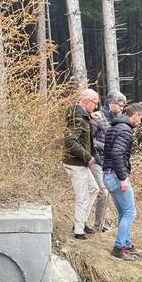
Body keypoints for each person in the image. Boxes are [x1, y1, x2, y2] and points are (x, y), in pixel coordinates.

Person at [103, 102, 142, 260]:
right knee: (130, 212)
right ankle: (119, 247)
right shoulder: (125, 130)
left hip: (108, 174)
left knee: (123, 213)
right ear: (135, 116)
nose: (140, 121)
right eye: (140, 118)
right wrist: (123, 178)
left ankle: (126, 245)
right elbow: (116, 154)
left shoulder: (113, 126)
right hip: (116, 176)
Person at [63, 89, 101, 239]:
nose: (96, 107)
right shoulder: (78, 117)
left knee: (94, 189)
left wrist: (93, 157)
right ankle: (78, 231)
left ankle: (81, 221)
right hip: (75, 163)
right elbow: (70, 141)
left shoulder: (83, 116)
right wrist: (87, 157)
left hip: (81, 163)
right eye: (95, 103)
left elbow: (86, 140)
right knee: (82, 197)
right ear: (86, 101)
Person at [90, 91, 127, 232]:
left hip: (109, 163)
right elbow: (89, 140)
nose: (122, 108)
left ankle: (105, 225)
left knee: (110, 192)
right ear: (112, 103)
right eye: (121, 105)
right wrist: (106, 146)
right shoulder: (98, 117)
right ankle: (98, 226)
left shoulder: (117, 119)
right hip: (97, 161)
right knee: (102, 192)